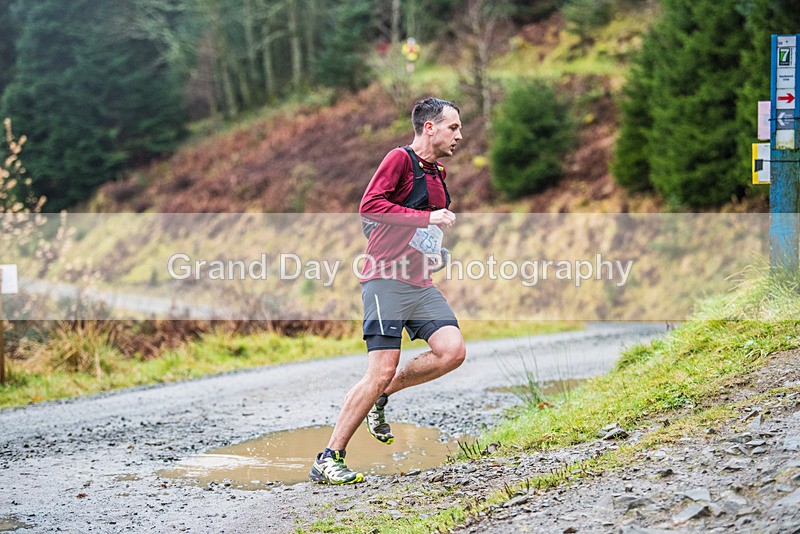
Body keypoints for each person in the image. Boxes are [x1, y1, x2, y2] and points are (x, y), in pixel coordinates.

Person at [309, 97, 466, 485]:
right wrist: (426, 218)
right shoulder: (399, 159)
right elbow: (370, 207)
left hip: (420, 283)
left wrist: (435, 251)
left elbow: (420, 228)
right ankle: (328, 458)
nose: (459, 135)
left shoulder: (438, 173)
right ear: (429, 127)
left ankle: (383, 393)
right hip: (385, 281)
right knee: (380, 369)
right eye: (453, 127)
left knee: (452, 351)